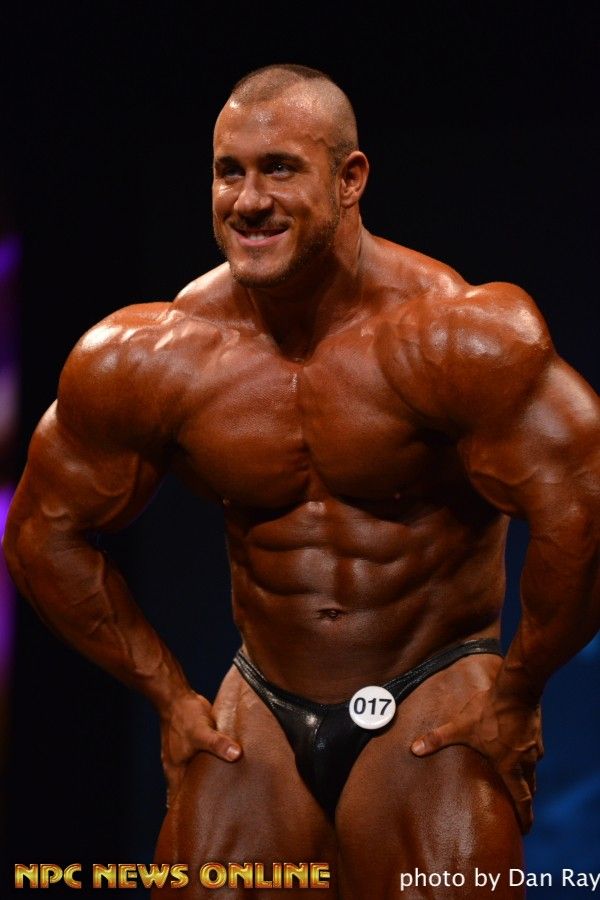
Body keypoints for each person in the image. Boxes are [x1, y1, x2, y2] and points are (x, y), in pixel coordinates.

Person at [3, 64, 599, 898]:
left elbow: (584, 509)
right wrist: (167, 695)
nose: (248, 200)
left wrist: (520, 689)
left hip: (430, 687)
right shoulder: (154, 355)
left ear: (350, 179)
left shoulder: (457, 337)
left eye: (279, 168)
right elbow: (42, 533)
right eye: (229, 172)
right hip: (263, 703)